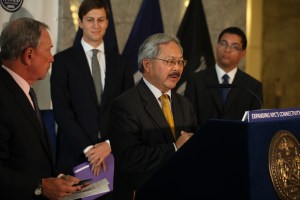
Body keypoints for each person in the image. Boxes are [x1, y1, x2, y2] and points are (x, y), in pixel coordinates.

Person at [50, 0, 134, 198]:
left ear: (107, 23)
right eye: (90, 20)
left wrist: (109, 144)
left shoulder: (121, 63)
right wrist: (89, 149)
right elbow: (62, 111)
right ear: (80, 22)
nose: (96, 26)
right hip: (75, 157)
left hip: (114, 158)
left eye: (100, 20)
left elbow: (129, 111)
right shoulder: (62, 61)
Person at [108, 33, 198, 200]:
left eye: (180, 62)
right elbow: (129, 158)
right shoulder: (125, 105)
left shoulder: (185, 104)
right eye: (170, 62)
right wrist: (175, 148)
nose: (177, 68)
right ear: (147, 65)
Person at [0, 17, 82, 200]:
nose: (52, 58)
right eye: (49, 50)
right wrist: (40, 186)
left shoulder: (25, 92)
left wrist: (56, 179)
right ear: (29, 55)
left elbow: (27, 159)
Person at [184, 26, 263, 126]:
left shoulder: (253, 87)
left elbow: (255, 126)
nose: (227, 50)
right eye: (223, 43)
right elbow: (188, 120)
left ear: (243, 53)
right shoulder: (196, 81)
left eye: (234, 46)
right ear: (217, 46)